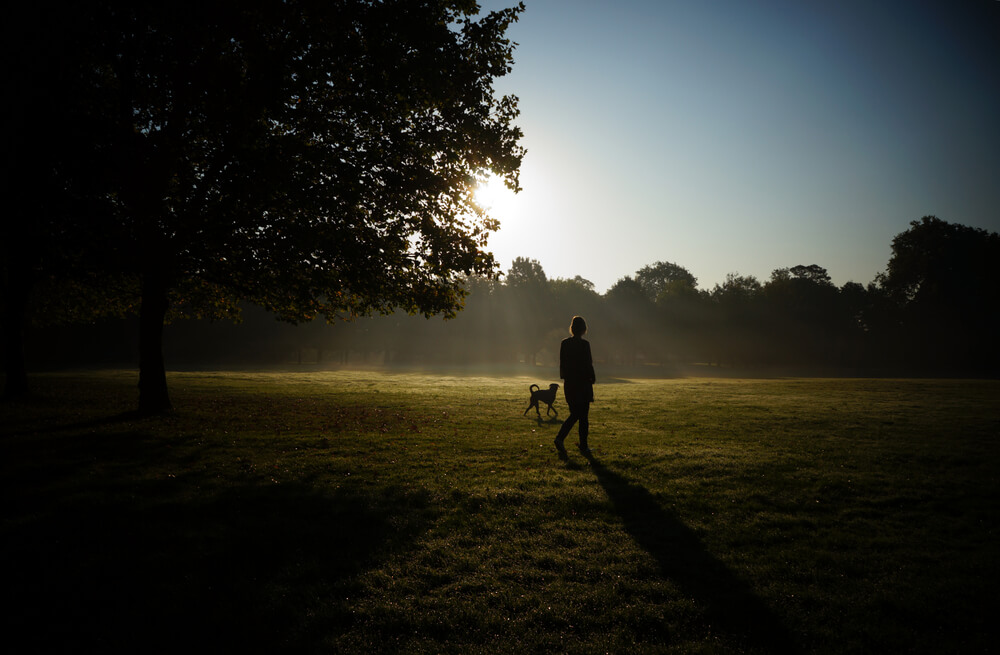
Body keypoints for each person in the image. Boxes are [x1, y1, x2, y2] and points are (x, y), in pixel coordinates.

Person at [554, 315, 596, 455]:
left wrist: (565, 377)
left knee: (575, 413)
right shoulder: (585, 345)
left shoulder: (565, 343)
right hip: (583, 384)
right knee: (582, 416)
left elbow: (562, 364)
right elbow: (588, 364)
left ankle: (565, 440)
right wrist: (592, 378)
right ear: (584, 329)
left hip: (570, 384)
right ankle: (577, 444)